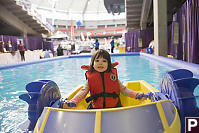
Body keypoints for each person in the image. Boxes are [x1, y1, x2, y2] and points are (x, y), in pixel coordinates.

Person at [62, 49, 146, 109]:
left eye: (104, 61)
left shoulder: (113, 77)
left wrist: (137, 95)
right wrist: (74, 101)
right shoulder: (90, 80)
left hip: (114, 108)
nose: (100, 63)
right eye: (97, 60)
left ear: (108, 64)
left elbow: (124, 90)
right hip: (96, 108)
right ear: (93, 64)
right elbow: (82, 92)